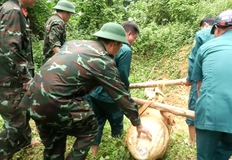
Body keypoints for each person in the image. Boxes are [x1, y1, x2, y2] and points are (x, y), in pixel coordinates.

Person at [19, 22, 152, 160]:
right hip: (56, 102)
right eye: (121, 45)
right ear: (114, 44)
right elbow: (120, 95)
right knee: (91, 128)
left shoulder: (74, 44)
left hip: (33, 100)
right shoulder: (103, 60)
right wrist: (138, 123)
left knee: (55, 144)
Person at [191, 9, 232, 160]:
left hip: (209, 114)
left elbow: (199, 88)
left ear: (218, 29)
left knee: (204, 156)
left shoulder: (205, 48)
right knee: (227, 146)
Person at [85, 21, 140, 157]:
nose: (134, 41)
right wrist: (125, 95)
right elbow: (122, 76)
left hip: (94, 93)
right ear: (128, 34)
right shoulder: (125, 49)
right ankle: (117, 152)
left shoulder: (100, 46)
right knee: (117, 124)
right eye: (135, 37)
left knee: (97, 122)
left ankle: (94, 154)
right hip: (111, 97)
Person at [0, 0, 39, 159]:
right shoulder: (13, 11)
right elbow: (10, 49)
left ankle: (24, 143)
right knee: (15, 122)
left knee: (21, 113)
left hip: (13, 77)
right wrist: (26, 79)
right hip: (10, 80)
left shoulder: (16, 9)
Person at [184, 16, 215, 145]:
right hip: (221, 81)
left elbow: (193, 60)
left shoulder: (202, 34)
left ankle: (192, 141)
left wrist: (190, 79)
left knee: (194, 107)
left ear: (206, 25)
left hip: (202, 78)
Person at [42, 0, 75, 64]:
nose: (70, 17)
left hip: (49, 60)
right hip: (54, 62)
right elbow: (55, 45)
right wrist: (64, 60)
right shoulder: (58, 22)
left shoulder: (51, 19)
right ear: (66, 12)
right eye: (70, 14)